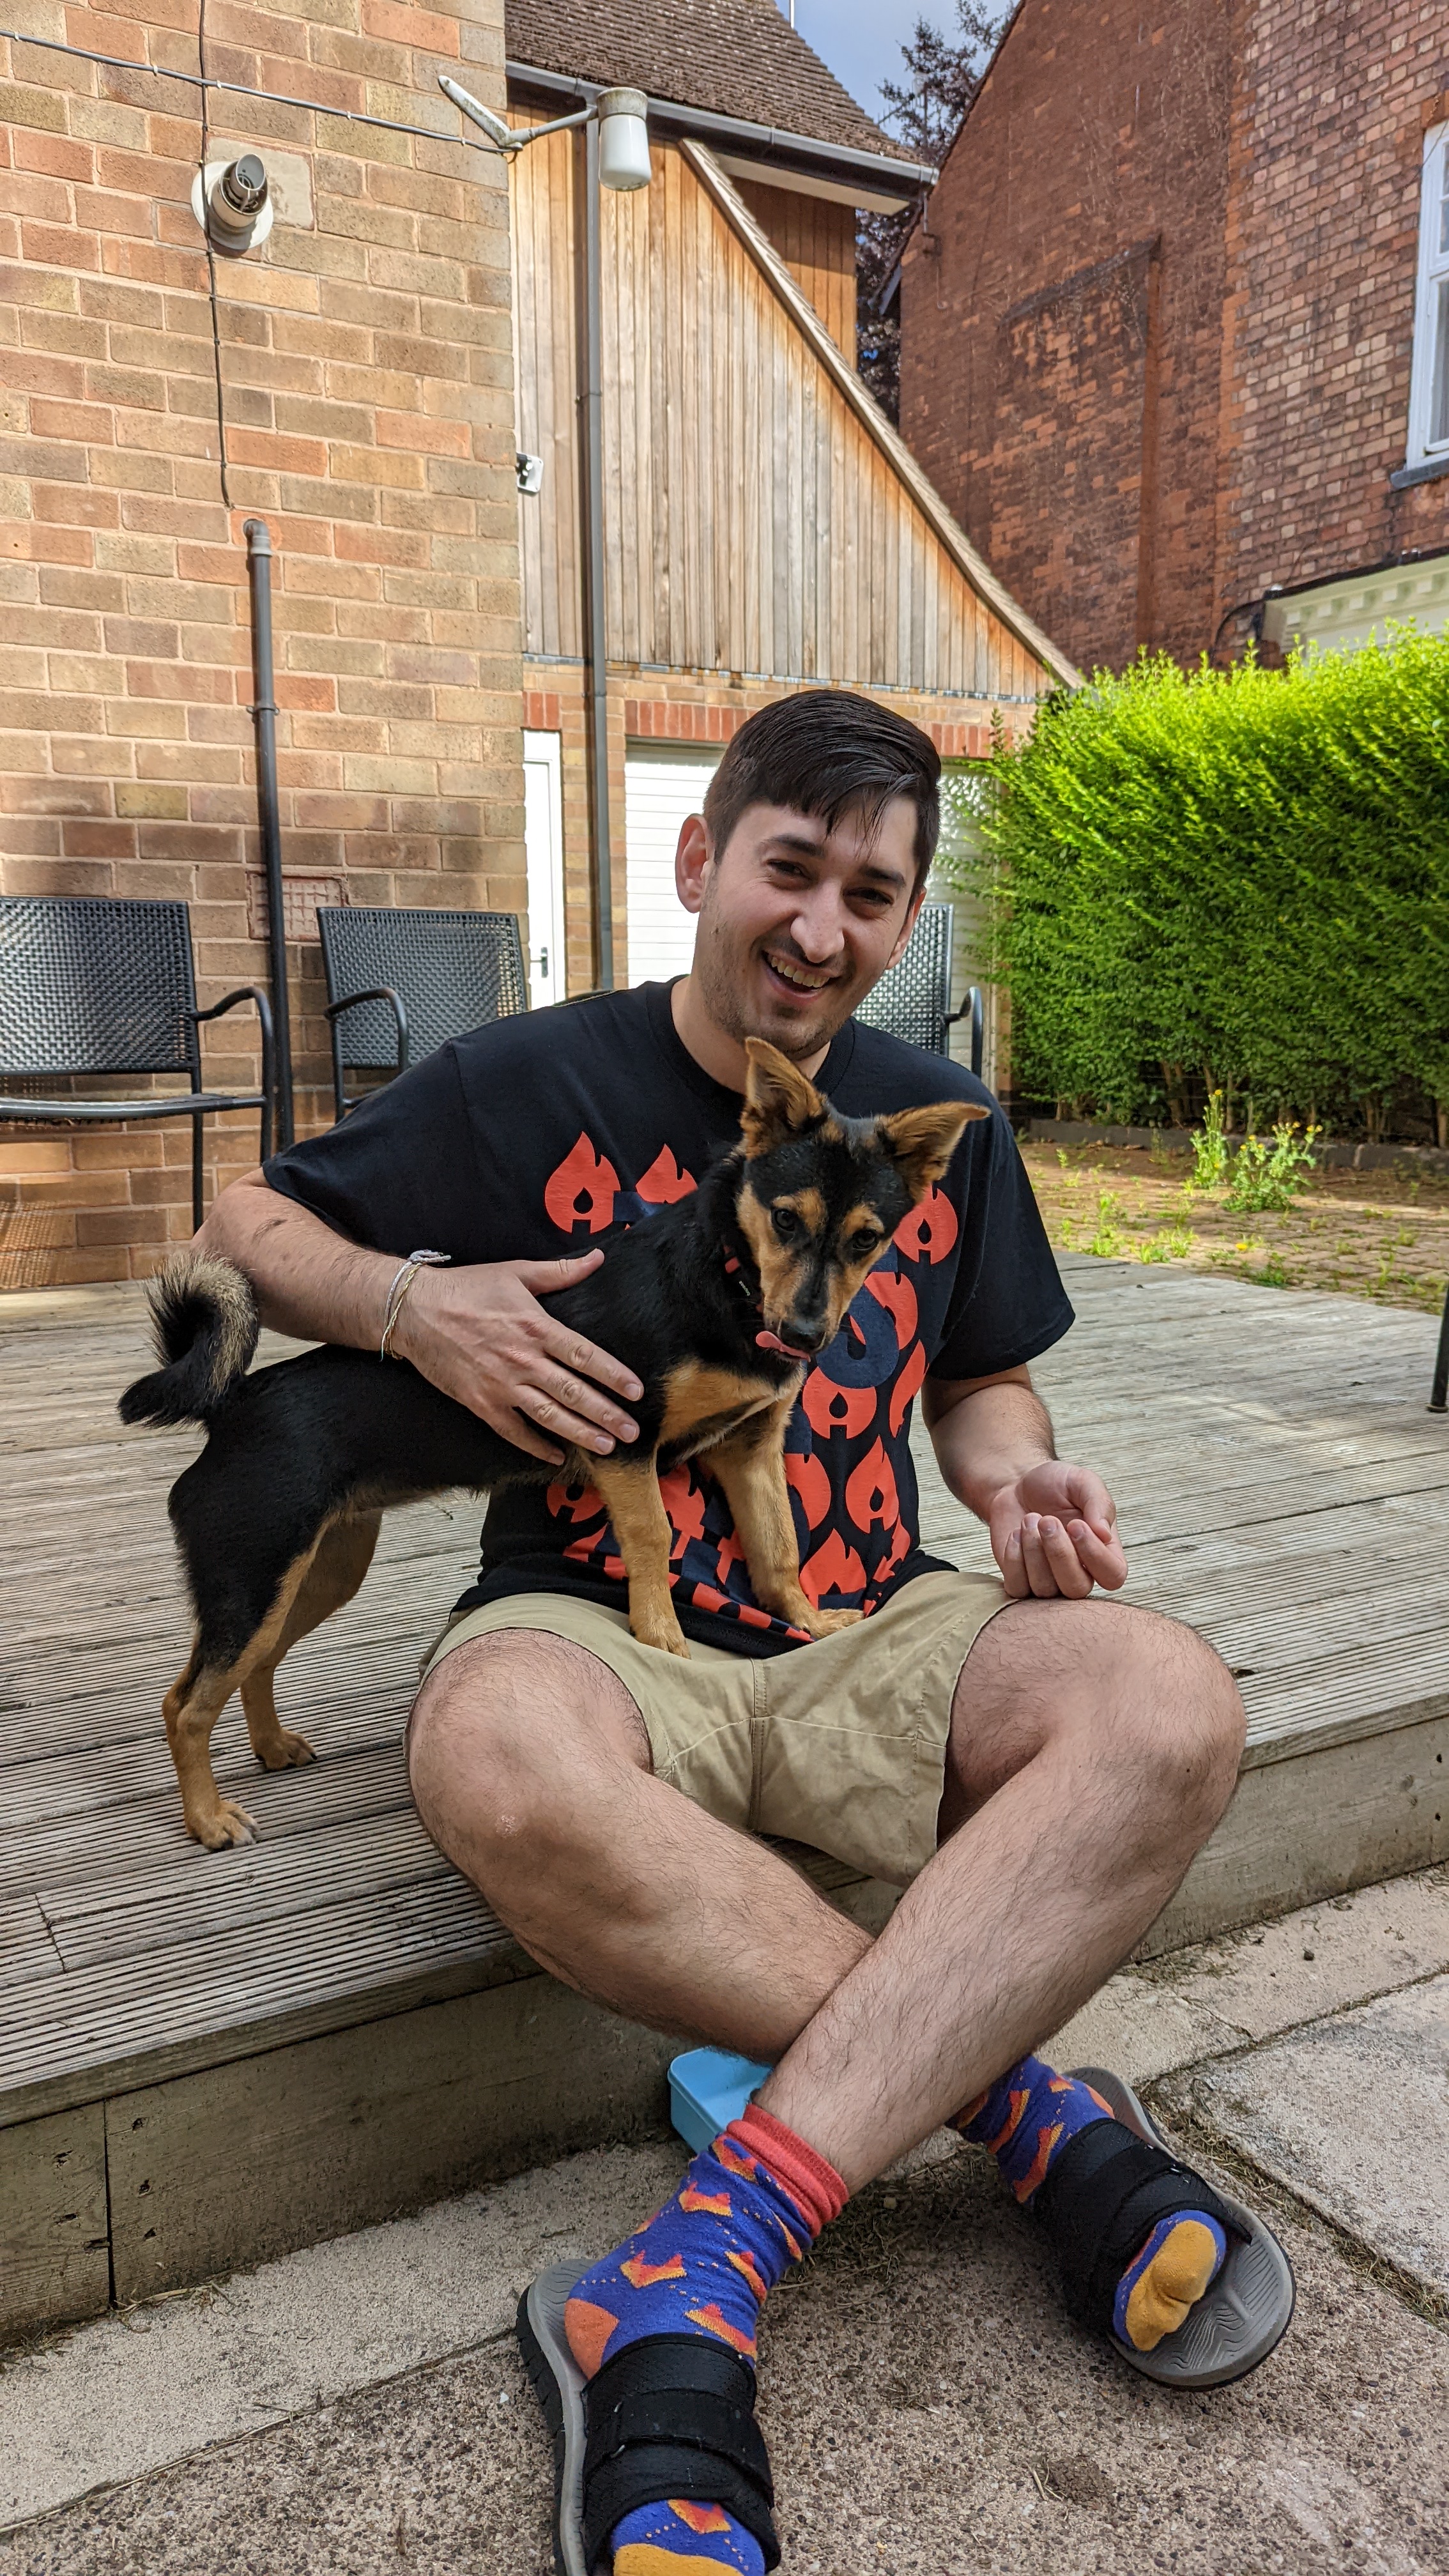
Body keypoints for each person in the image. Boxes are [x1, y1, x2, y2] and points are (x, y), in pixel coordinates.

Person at [196, 692, 1278, 2576]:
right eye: (791, 867)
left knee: (1169, 1702)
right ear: (703, 863)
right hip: (586, 1618)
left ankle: (722, 2235)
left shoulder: (938, 1128)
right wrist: (402, 1306)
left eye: (872, 893)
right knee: (489, 1757)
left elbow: (985, 1383)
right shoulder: (519, 1080)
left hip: (865, 1610)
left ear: (902, 915)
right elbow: (242, 1214)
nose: (822, 925)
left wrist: (1014, 1481)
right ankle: (1020, 2108)